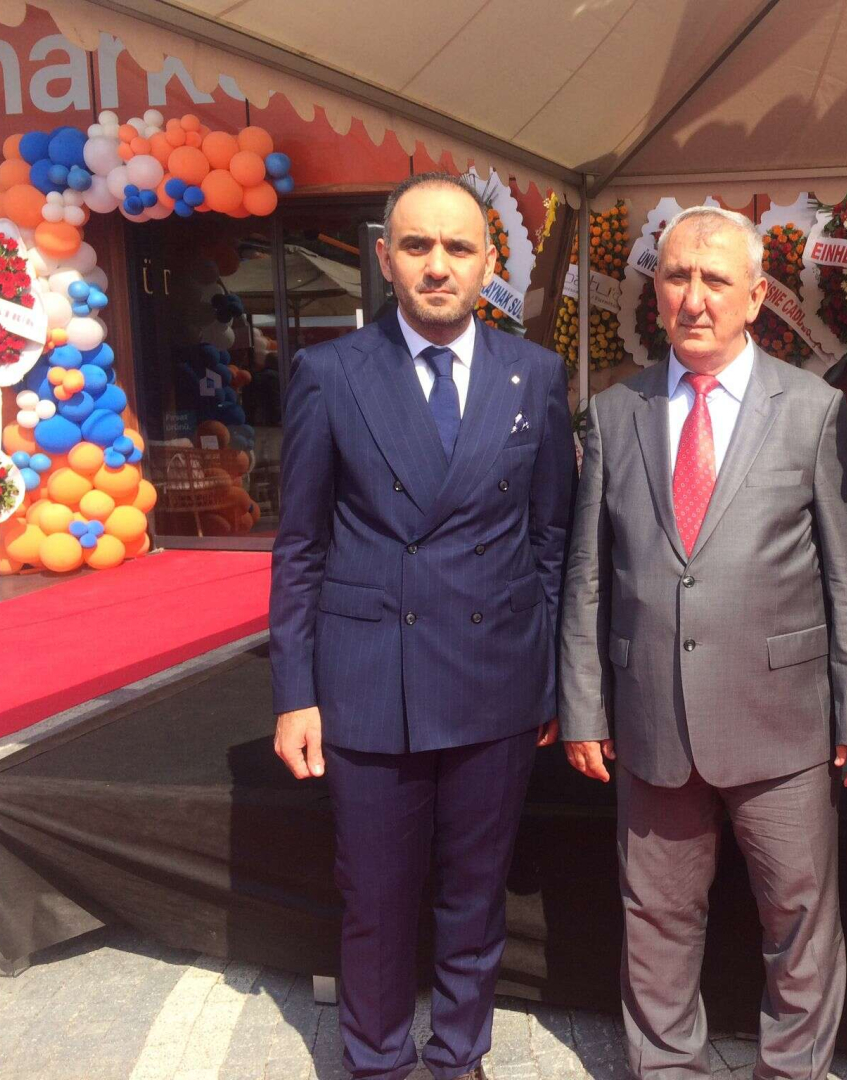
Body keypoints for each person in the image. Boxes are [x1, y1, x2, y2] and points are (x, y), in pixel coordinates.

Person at [559, 205, 847, 1080]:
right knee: (657, 921)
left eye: (716, 279)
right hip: (650, 720)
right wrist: (583, 707)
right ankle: (668, 1068)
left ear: (755, 295)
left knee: (800, 921)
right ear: (657, 292)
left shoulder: (812, 410)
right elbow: (588, 576)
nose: (694, 297)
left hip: (783, 723)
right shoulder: (614, 413)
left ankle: (793, 1071)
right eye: (677, 277)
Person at [269, 172, 576, 1080]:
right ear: (384, 258)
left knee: (475, 895)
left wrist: (546, 677)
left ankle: (459, 1056)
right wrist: (294, 692)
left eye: (457, 248)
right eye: (417, 246)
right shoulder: (330, 373)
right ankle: (375, 1061)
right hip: (370, 681)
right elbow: (300, 547)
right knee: (375, 898)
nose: (438, 266)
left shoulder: (535, 374)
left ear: (488, 263)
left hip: (495, 679)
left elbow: (551, 538)